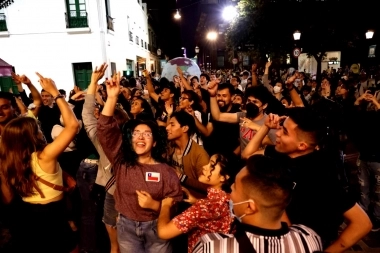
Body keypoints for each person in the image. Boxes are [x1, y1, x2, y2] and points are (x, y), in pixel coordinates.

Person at [242, 99, 372, 252]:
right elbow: (247, 154)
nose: (277, 133)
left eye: (284, 132)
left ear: (302, 145)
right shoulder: (282, 154)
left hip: (306, 245)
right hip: (281, 239)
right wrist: (265, 126)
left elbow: (362, 223)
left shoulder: (320, 174)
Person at [97, 72, 183, 253]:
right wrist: (111, 98)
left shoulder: (166, 172)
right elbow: (105, 129)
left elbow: (175, 205)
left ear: (155, 142)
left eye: (147, 133)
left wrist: (155, 205)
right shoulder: (121, 162)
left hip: (157, 228)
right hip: (126, 228)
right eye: (136, 133)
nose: (140, 137)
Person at [0, 73, 79, 253]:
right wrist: (55, 93)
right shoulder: (44, 156)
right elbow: (73, 126)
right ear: (30, 136)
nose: (40, 131)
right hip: (52, 216)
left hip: (26, 215)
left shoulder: (9, 160)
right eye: (37, 129)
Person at [193, 155, 323, 253]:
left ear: (249, 207)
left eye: (235, 187)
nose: (231, 188)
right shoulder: (309, 237)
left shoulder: (212, 246)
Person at [157, 154, 235, 252]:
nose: (204, 167)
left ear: (224, 177)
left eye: (211, 165)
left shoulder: (204, 207)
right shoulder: (229, 198)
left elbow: (163, 232)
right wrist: (196, 201)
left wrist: (165, 205)